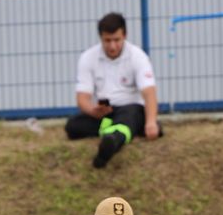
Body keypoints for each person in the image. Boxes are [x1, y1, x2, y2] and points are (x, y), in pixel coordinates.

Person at [66, 12, 160, 169]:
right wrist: (93, 110)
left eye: (116, 40)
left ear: (125, 35)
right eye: (107, 41)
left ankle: (112, 142)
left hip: (131, 109)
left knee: (131, 115)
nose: (112, 46)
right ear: (100, 38)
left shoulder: (138, 56)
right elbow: (82, 97)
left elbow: (149, 93)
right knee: (73, 126)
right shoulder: (88, 58)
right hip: (106, 114)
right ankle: (119, 131)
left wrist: (151, 123)